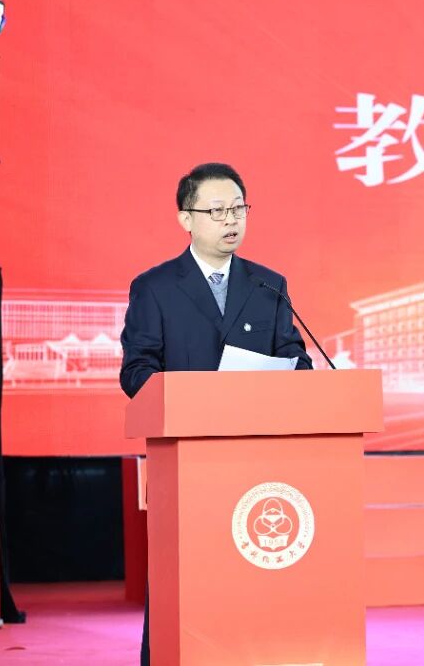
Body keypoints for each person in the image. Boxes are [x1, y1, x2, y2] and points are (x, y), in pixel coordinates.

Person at [119, 161, 313, 664]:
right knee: (184, 581)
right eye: (217, 210)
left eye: (239, 209)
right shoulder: (155, 287)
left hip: (259, 464)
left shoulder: (268, 285)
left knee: (250, 580)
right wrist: (191, 399)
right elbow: (137, 371)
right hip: (186, 463)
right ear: (186, 219)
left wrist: (293, 371)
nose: (231, 219)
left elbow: (296, 359)